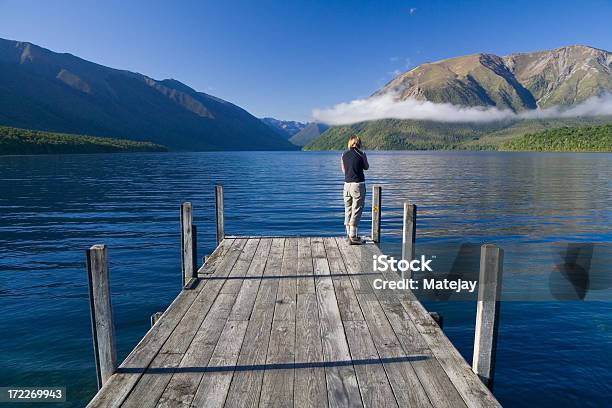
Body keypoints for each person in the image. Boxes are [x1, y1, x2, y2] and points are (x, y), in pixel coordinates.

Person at [341, 135, 369, 245]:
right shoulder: (361, 154)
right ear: (358, 143)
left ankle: (349, 234)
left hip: (346, 185)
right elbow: (366, 167)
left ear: (350, 143)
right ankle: (353, 236)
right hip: (358, 185)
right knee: (357, 208)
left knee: (348, 208)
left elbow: (344, 170)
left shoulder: (344, 154)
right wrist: (364, 158)